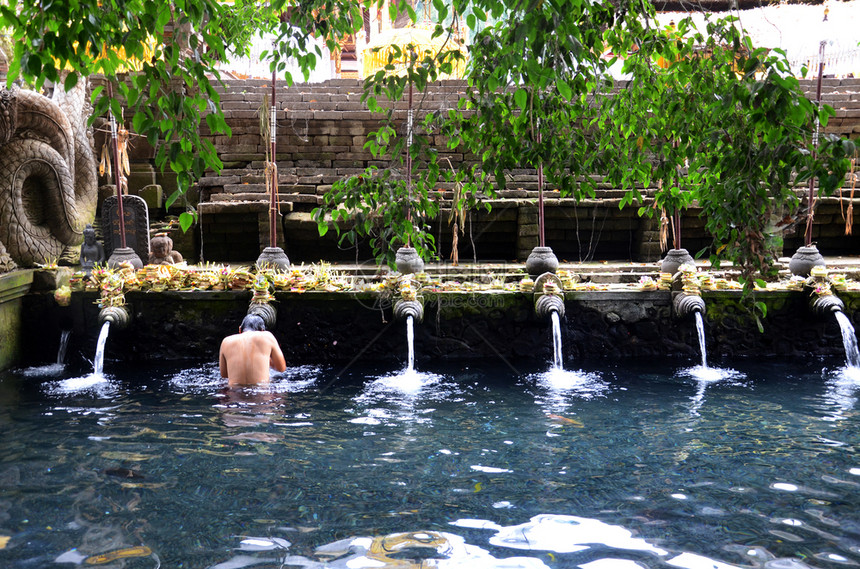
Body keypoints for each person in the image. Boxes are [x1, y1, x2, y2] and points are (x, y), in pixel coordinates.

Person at [219, 314, 286, 387]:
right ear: (262, 330)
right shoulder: (267, 336)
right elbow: (281, 368)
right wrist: (267, 359)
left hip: (234, 393)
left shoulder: (226, 341)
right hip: (261, 393)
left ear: (240, 329)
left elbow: (224, 375)